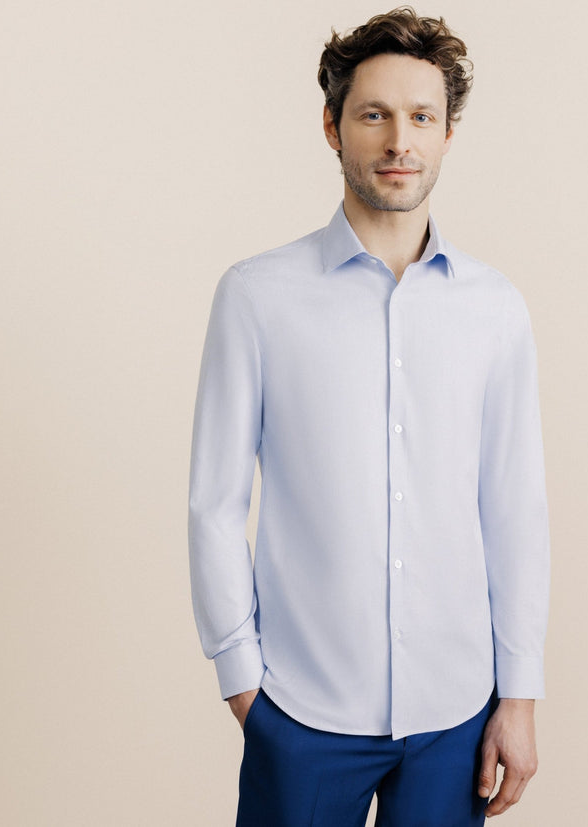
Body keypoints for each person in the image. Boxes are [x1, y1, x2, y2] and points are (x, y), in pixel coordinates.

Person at [188, 7, 550, 826]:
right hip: (301, 708)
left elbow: (514, 509)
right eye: (374, 115)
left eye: (421, 117)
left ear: (448, 133)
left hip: (457, 711)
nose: (398, 142)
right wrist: (244, 684)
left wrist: (519, 694)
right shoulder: (257, 297)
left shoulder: (495, 308)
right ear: (333, 126)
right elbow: (214, 504)